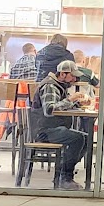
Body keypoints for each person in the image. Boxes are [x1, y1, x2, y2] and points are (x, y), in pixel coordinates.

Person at [30, 60, 93, 190]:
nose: (75, 79)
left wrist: (77, 104)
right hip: (44, 130)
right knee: (77, 139)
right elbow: (49, 110)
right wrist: (70, 99)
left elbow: (59, 105)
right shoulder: (50, 86)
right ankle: (65, 178)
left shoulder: (58, 86)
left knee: (87, 139)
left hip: (52, 128)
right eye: (72, 76)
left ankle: (63, 171)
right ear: (63, 74)